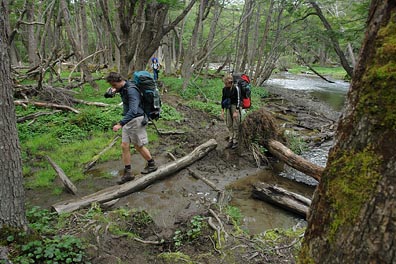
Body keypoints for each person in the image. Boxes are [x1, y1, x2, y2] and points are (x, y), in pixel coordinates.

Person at [104, 72, 158, 184]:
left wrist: (120, 123)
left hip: (136, 120)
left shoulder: (131, 90)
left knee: (138, 146)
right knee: (124, 146)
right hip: (128, 121)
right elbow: (113, 92)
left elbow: (133, 110)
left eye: (114, 85)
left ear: (119, 81)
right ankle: (128, 173)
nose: (113, 88)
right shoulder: (123, 87)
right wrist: (112, 91)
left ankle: (152, 164)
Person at [221, 75, 241, 149]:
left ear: (231, 82)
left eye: (229, 82)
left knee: (236, 124)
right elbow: (223, 99)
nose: (227, 84)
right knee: (229, 123)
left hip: (235, 106)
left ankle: (235, 141)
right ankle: (231, 139)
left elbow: (238, 100)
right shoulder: (224, 89)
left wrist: (236, 111)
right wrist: (222, 110)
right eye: (226, 83)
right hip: (228, 107)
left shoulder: (236, 88)